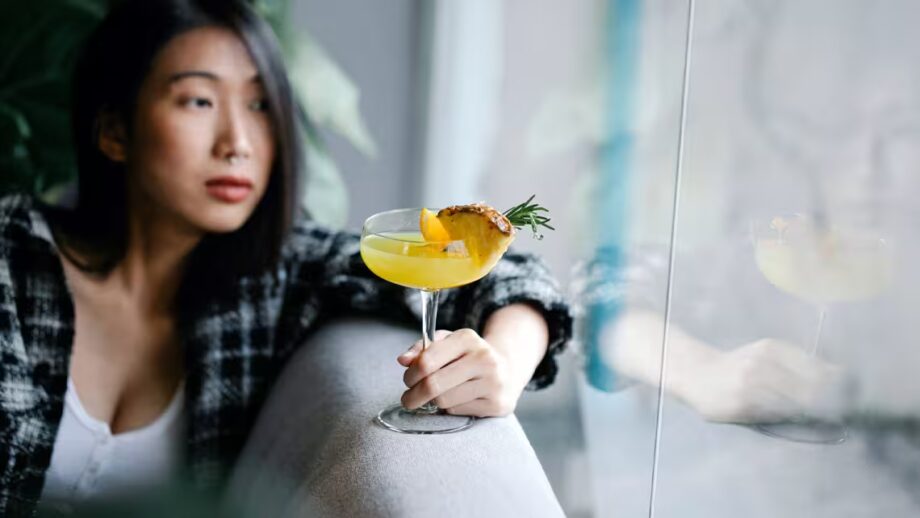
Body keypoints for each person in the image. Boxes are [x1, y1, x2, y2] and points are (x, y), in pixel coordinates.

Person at [0, 0, 572, 515]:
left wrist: (502, 368)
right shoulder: (12, 257)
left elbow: (514, 275)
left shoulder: (275, 278)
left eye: (259, 105)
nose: (238, 142)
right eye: (198, 100)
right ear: (113, 132)